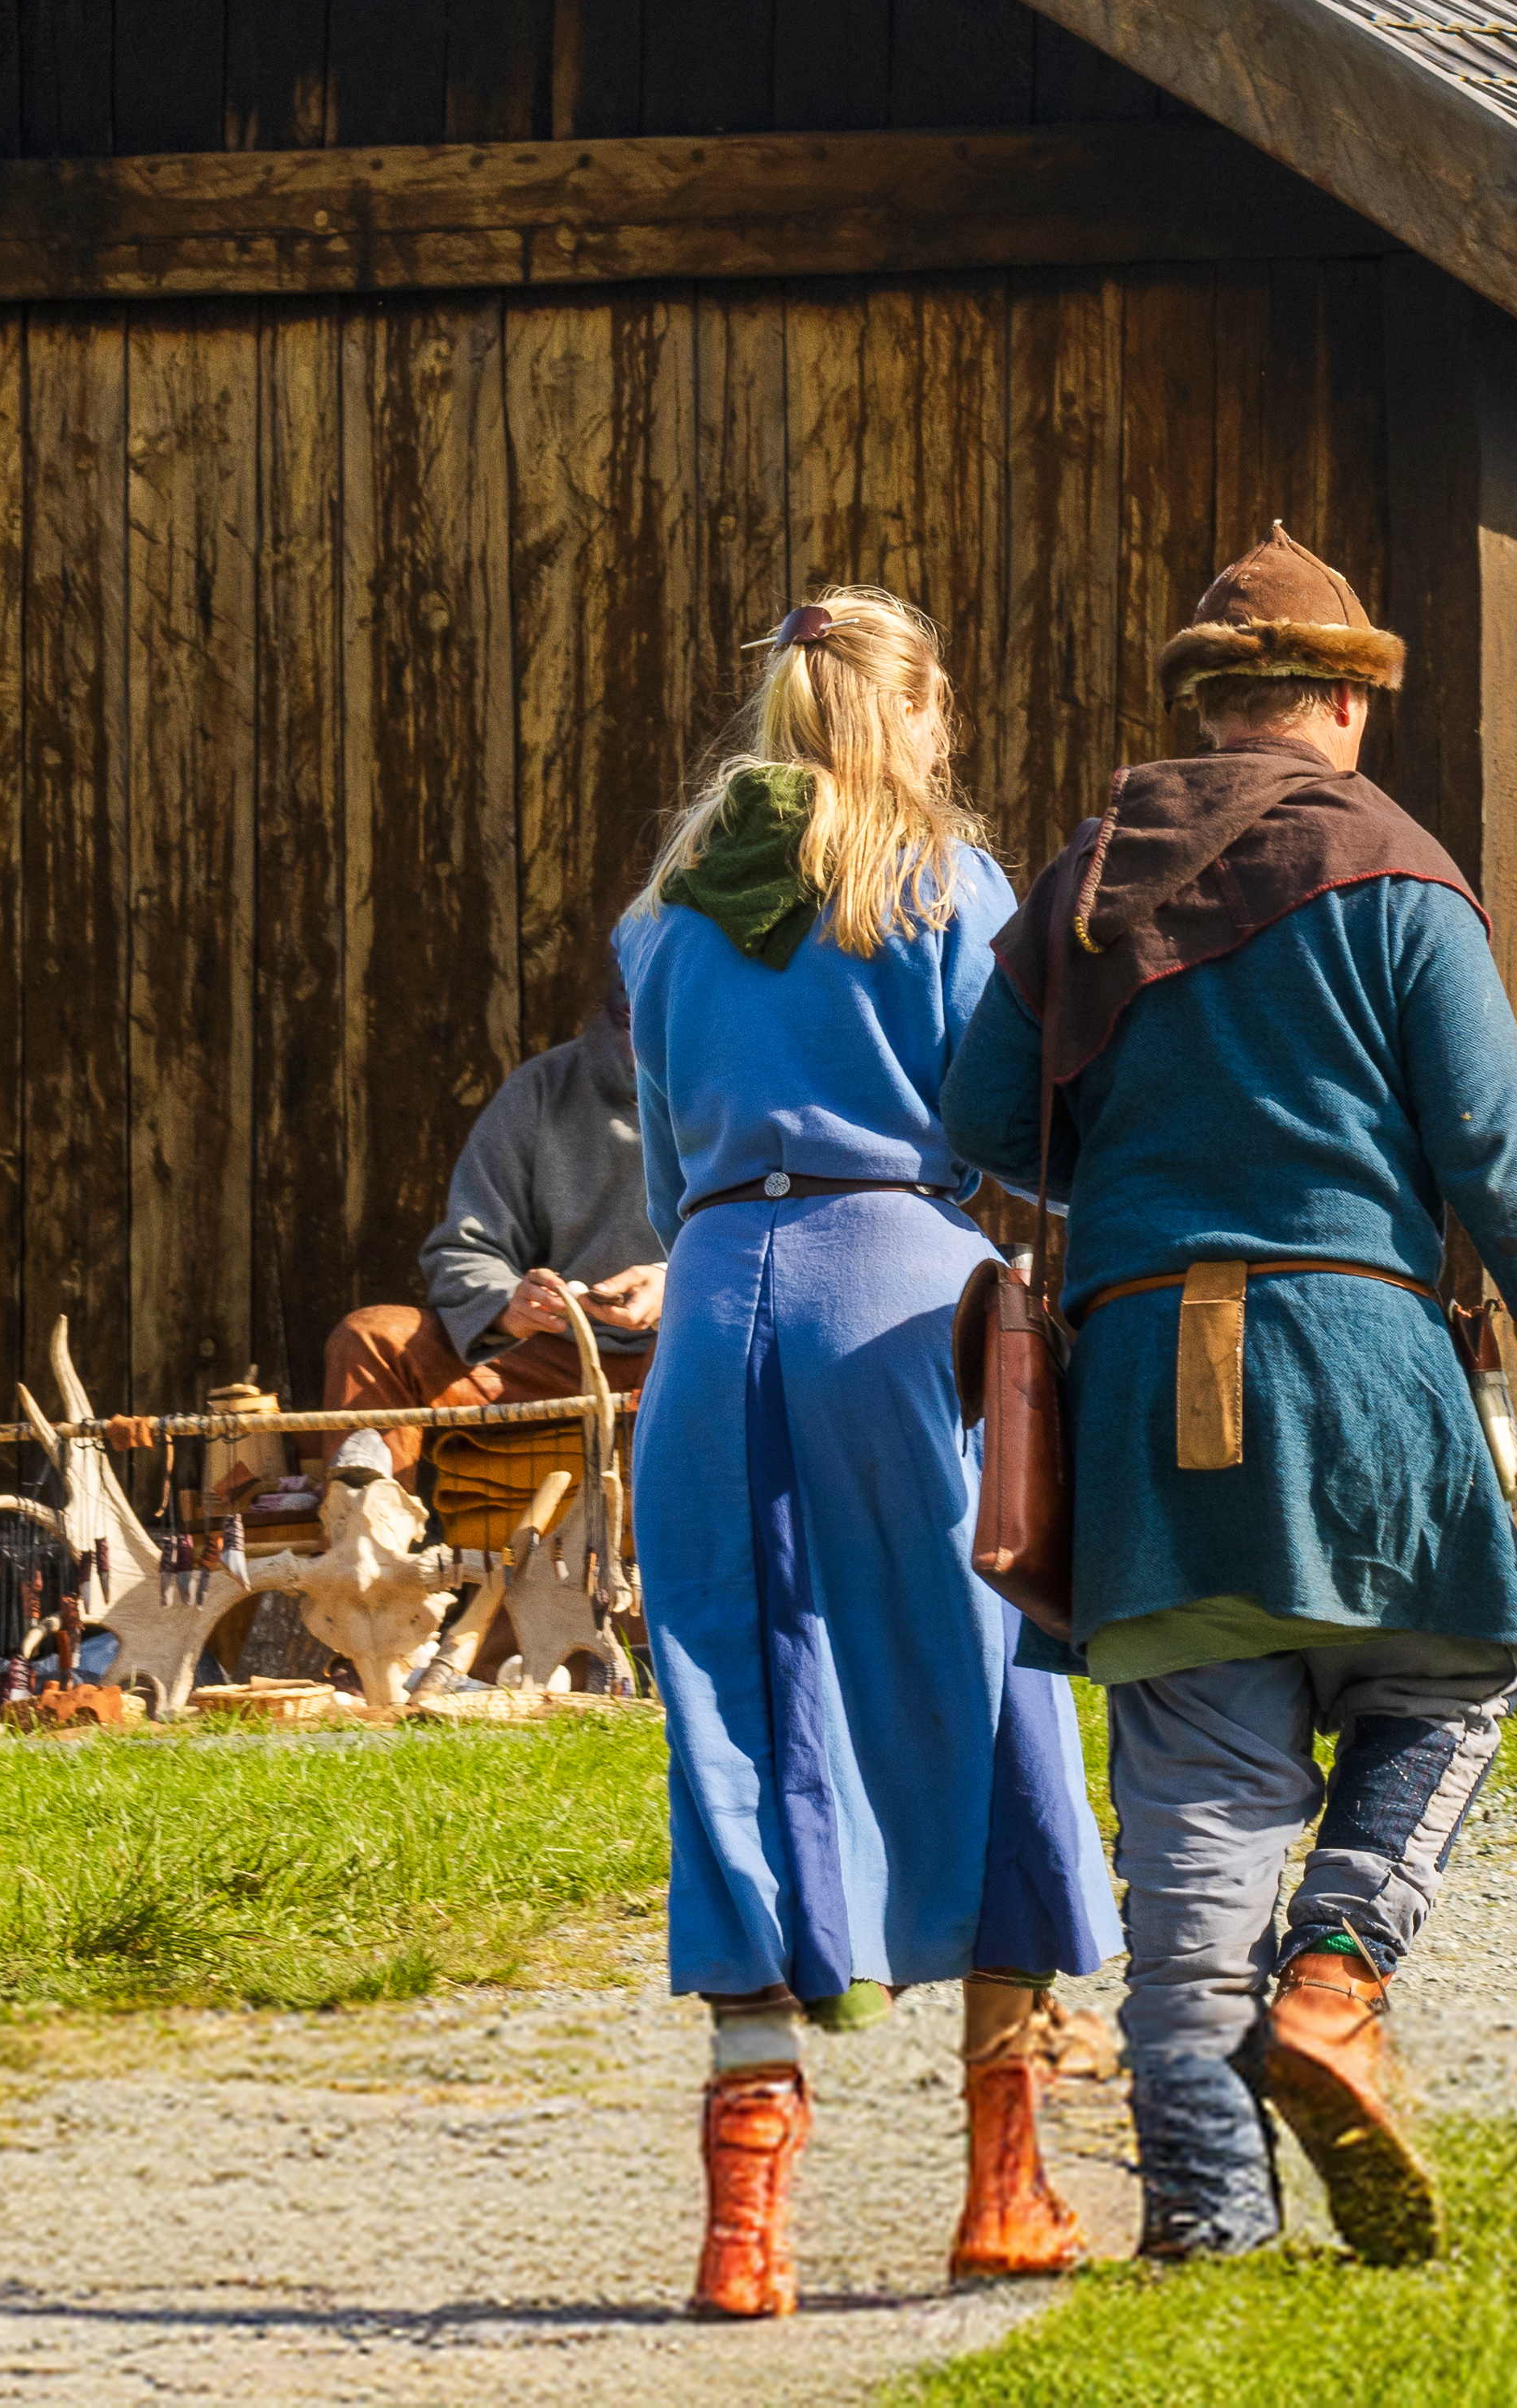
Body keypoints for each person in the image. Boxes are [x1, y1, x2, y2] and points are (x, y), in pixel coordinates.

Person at [941, 526, 1517, 2269]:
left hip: (1142, 1409)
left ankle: (1205, 2212)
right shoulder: (1393, 864)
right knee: (1443, 1681)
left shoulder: (1086, 882)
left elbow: (975, 1120)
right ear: (1341, 700)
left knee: (1193, 1819)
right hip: (1359, 1373)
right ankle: (1336, 1985)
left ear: (1201, 710)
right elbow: (1488, 1139)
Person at [621, 588, 1118, 2319]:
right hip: (896, 1292)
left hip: (706, 1315)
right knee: (983, 1681)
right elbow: (1003, 1123)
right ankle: (1006, 2190)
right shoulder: (938, 883)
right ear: (903, 711)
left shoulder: (669, 913)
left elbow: (665, 1154)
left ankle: (742, 2240)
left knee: (732, 1710)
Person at [316, 974, 662, 1557]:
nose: (638, 1035)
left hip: (689, 1357)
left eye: (656, 1015)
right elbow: (465, 1248)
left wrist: (681, 1285)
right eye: (624, 1018)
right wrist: (508, 1307)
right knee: (371, 1339)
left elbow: (786, 1238)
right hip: (555, 1359)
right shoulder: (543, 1089)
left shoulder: (749, 1088)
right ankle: (375, 1585)